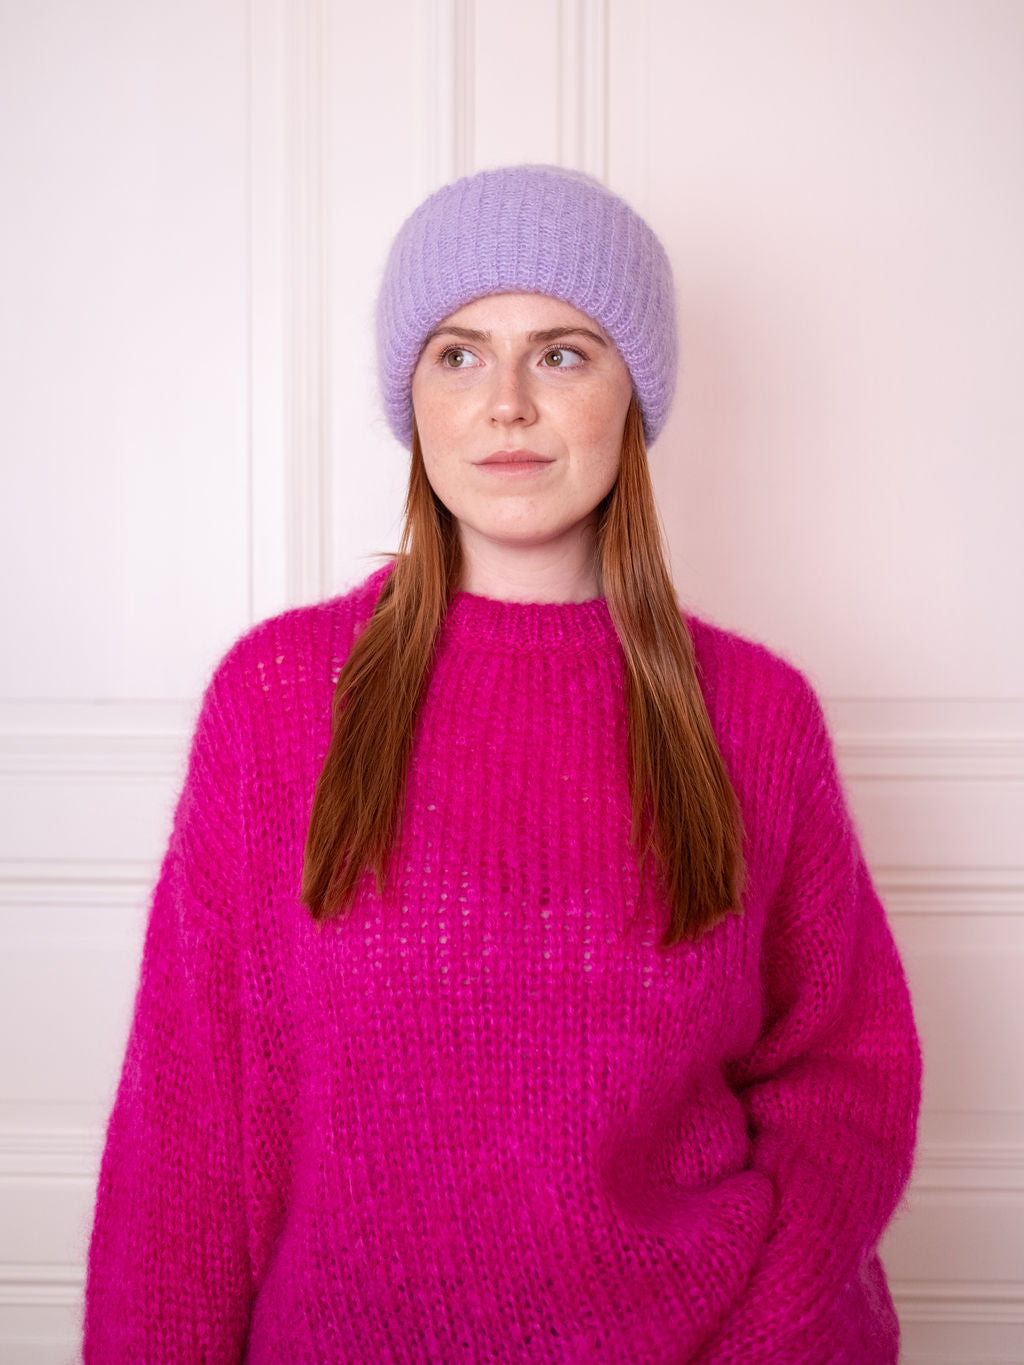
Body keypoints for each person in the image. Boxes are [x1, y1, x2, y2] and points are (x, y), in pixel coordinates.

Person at [84, 164, 921, 1363]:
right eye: (459, 354)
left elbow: (840, 1081)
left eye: (563, 354)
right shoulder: (279, 703)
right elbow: (193, 1131)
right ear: (412, 397)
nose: (507, 404)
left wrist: (763, 1336)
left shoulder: (754, 715)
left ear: (632, 397)